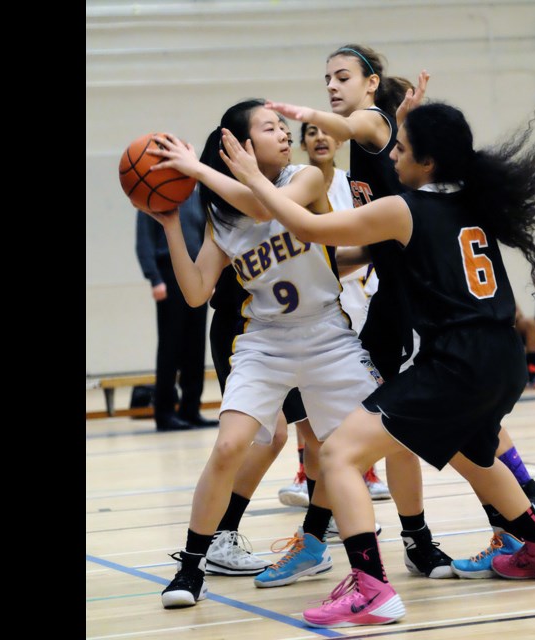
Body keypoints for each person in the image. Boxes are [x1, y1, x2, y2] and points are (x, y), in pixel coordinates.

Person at [221, 99, 535, 628]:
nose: (394, 159)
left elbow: (311, 228)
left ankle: (370, 588)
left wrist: (253, 177)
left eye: (402, 150)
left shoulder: (404, 207)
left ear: (426, 163)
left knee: (339, 452)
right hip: (503, 358)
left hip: (457, 361)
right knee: (474, 453)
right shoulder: (472, 202)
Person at [145, 99, 382, 609]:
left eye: (282, 126)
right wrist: (169, 224)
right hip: (265, 339)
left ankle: (342, 544)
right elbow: (194, 292)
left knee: (363, 443)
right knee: (231, 446)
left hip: (326, 333)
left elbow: (261, 204)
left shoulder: (308, 178)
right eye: (270, 127)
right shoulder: (222, 215)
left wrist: (196, 168)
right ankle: (191, 568)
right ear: (241, 144)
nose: (284, 134)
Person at [266, 45, 457, 582]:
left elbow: (349, 125)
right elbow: (376, 247)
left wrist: (308, 117)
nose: (331, 84)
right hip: (388, 308)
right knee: (351, 433)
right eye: (325, 77)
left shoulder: (370, 123)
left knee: (418, 435)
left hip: (417, 309)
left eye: (342, 76)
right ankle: (331, 539)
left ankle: (503, 524)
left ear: (371, 84)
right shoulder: (360, 156)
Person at [278, 121, 390, 508]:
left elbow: (366, 239)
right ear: (303, 143)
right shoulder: (292, 185)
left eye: (325, 132)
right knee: (308, 395)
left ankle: (367, 469)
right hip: (313, 300)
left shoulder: (350, 183)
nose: (320, 138)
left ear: (339, 139)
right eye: (310, 133)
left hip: (358, 292)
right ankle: (306, 472)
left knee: (360, 390)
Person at [134, 187, 219, 431]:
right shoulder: (153, 192)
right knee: (170, 348)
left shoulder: (197, 194)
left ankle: (191, 410)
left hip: (196, 275)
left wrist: (208, 278)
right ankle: (164, 413)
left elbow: (207, 235)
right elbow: (144, 239)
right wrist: (154, 278)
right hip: (168, 278)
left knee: (195, 347)